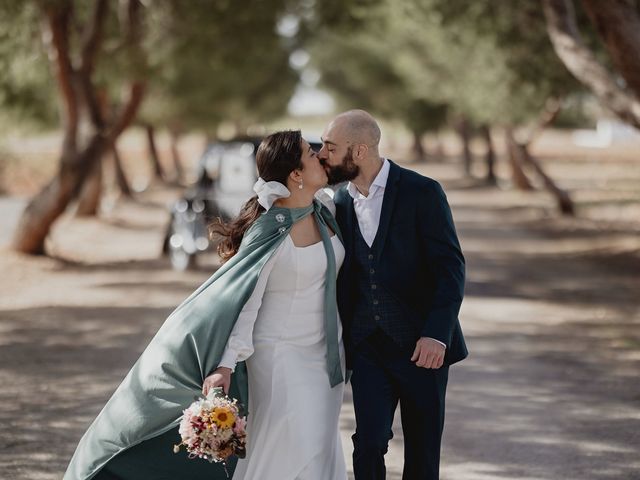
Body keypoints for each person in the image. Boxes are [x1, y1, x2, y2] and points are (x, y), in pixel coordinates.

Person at [64, 130, 348, 480]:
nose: (320, 156)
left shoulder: (325, 210)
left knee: (320, 446)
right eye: (310, 152)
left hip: (326, 356)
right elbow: (245, 300)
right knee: (295, 445)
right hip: (281, 358)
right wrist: (225, 364)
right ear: (295, 174)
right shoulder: (270, 229)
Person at [318, 110, 467, 480]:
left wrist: (436, 334)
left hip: (423, 347)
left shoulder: (422, 191)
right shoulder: (336, 201)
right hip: (368, 347)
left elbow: (450, 269)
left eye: (331, 147)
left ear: (360, 151)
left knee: (422, 451)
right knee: (368, 443)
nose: (323, 154)